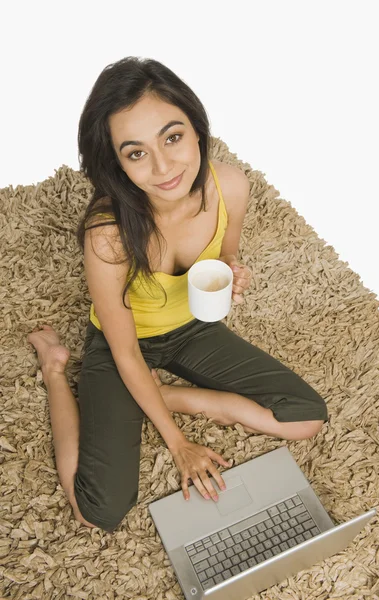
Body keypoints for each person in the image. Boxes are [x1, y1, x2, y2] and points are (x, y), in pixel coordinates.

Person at [27, 57, 328, 534]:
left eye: (173, 137)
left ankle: (162, 393)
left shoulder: (229, 185)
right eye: (136, 152)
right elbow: (125, 351)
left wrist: (233, 273)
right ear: (115, 162)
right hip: (121, 346)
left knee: (306, 418)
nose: (165, 167)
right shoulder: (107, 235)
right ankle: (55, 370)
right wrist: (178, 444)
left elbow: (225, 258)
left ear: (197, 127)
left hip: (192, 330)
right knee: (96, 512)